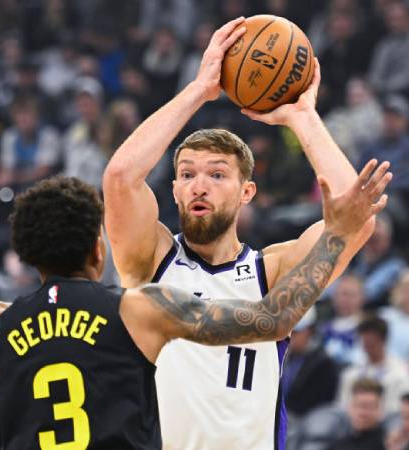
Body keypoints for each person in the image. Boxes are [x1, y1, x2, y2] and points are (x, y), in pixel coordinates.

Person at [0, 166, 387, 449]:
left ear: (25, 255)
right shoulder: (139, 310)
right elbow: (272, 319)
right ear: (99, 250)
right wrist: (335, 236)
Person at [102, 16, 391, 450]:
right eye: (187, 174)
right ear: (175, 191)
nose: (200, 184)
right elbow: (121, 178)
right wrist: (200, 87)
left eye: (217, 174)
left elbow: (355, 220)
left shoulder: (271, 271)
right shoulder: (151, 262)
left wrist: (303, 116)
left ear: (247, 192)